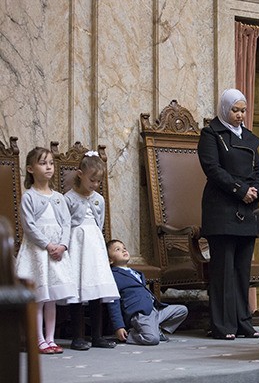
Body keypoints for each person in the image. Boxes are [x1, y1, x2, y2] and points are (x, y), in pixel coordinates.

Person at [197, 88, 259, 340]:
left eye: (243, 111)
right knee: (223, 271)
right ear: (225, 109)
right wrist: (239, 190)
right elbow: (212, 169)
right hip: (222, 209)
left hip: (247, 209)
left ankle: (243, 323)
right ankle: (223, 326)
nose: (239, 115)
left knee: (241, 271)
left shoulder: (248, 137)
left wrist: (256, 189)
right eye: (235, 110)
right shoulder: (211, 134)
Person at [15, 147, 77, 354]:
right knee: (39, 297)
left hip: (56, 253)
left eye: (50, 163)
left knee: (51, 299)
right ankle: (39, 339)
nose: (48, 167)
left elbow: (66, 223)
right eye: (43, 163)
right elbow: (29, 226)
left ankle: (50, 339)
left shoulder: (59, 197)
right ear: (31, 169)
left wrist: (63, 245)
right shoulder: (29, 197)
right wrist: (47, 245)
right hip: (38, 253)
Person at [65, 151, 120, 350]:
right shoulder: (68, 198)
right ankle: (78, 336)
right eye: (92, 180)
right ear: (80, 174)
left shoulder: (99, 199)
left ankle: (97, 336)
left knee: (97, 289)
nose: (95, 185)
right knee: (79, 290)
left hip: (94, 245)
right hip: (77, 245)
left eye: (98, 181)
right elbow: (65, 224)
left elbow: (100, 223)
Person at [106, 239, 188, 345]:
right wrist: (118, 327)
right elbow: (113, 303)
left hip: (154, 310)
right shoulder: (113, 276)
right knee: (152, 339)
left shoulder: (137, 273)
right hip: (140, 314)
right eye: (118, 249)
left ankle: (155, 329)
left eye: (124, 248)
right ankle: (130, 334)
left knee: (182, 310)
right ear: (110, 260)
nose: (123, 250)